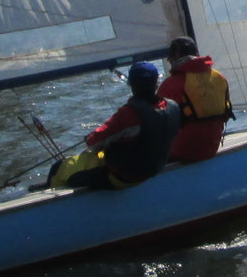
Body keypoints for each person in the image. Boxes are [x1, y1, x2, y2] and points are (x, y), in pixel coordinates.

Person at [47, 61, 180, 190]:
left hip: (123, 179)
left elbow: (94, 142)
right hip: (154, 170)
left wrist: (89, 137)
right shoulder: (173, 108)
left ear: (132, 85)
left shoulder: (129, 114)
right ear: (156, 83)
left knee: (61, 171)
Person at [157, 36, 233, 163]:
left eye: (170, 57)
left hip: (183, 151)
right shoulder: (219, 77)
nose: (169, 61)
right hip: (212, 147)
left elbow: (158, 123)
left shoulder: (170, 85)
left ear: (176, 55)